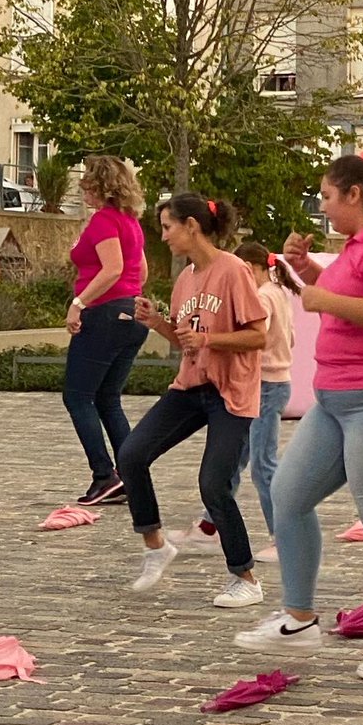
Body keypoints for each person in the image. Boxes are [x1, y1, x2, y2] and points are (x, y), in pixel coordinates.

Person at [236, 150, 363, 682]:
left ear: (355, 194)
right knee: (288, 496)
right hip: (337, 399)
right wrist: (306, 271)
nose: (323, 207)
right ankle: (299, 618)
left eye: (327, 196)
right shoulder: (360, 244)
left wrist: (324, 300)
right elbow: (349, 290)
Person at [118, 194, 267, 608]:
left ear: (192, 226)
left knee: (213, 484)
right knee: (131, 455)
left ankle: (246, 578)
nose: (164, 236)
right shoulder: (185, 279)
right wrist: (157, 322)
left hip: (231, 392)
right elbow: (186, 341)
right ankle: (155, 546)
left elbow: (259, 336)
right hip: (190, 386)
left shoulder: (233, 270)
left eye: (168, 227)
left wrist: (208, 340)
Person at [170, 242, 298, 564]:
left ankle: (284, 538)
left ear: (249, 269)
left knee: (263, 465)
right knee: (233, 461)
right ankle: (209, 526)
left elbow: (255, 338)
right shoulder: (278, 293)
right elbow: (290, 338)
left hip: (264, 385)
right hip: (274, 382)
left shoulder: (263, 297)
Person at [64, 156, 149, 505]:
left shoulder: (103, 221)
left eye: (87, 185)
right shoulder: (131, 222)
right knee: (107, 398)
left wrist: (79, 303)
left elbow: (112, 268)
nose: (83, 191)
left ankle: (104, 475)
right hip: (130, 314)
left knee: (77, 396)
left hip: (103, 315)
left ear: (100, 188)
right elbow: (140, 271)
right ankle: (131, 476)